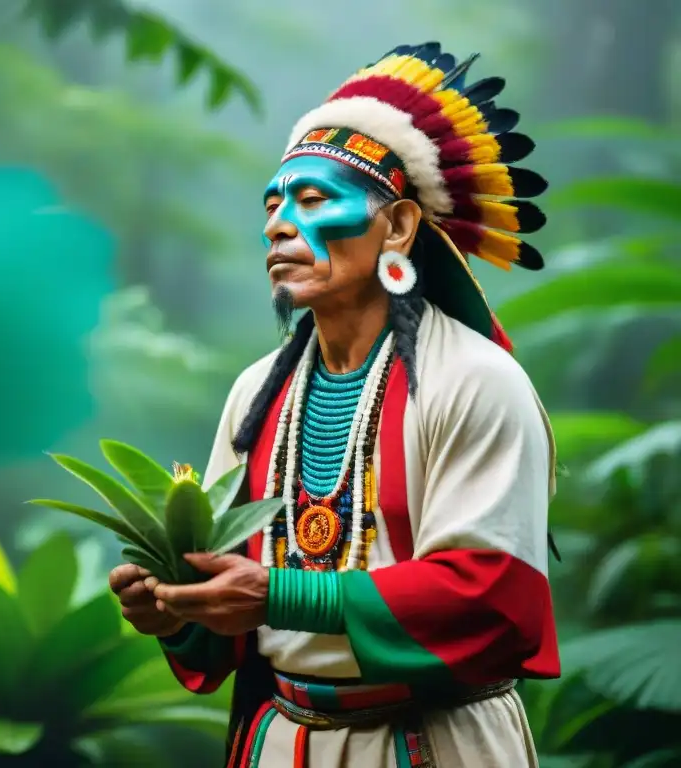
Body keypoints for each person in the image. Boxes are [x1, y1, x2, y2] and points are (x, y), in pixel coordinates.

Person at [109, 42, 560, 767]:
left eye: (314, 200)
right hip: (282, 737)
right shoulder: (257, 394)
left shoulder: (479, 381)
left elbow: (490, 597)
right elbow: (231, 610)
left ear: (400, 227)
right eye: (273, 205)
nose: (279, 225)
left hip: (435, 741)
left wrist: (284, 597)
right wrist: (174, 608)